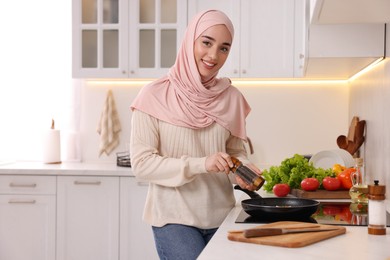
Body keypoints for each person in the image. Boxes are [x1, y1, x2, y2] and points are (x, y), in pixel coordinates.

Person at [130, 9, 261, 260]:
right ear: (190, 40)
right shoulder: (153, 95)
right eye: (206, 42)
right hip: (173, 218)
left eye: (224, 48)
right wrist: (202, 164)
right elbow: (142, 165)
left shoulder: (231, 97)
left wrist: (242, 172)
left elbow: (234, 153)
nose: (213, 55)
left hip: (222, 216)